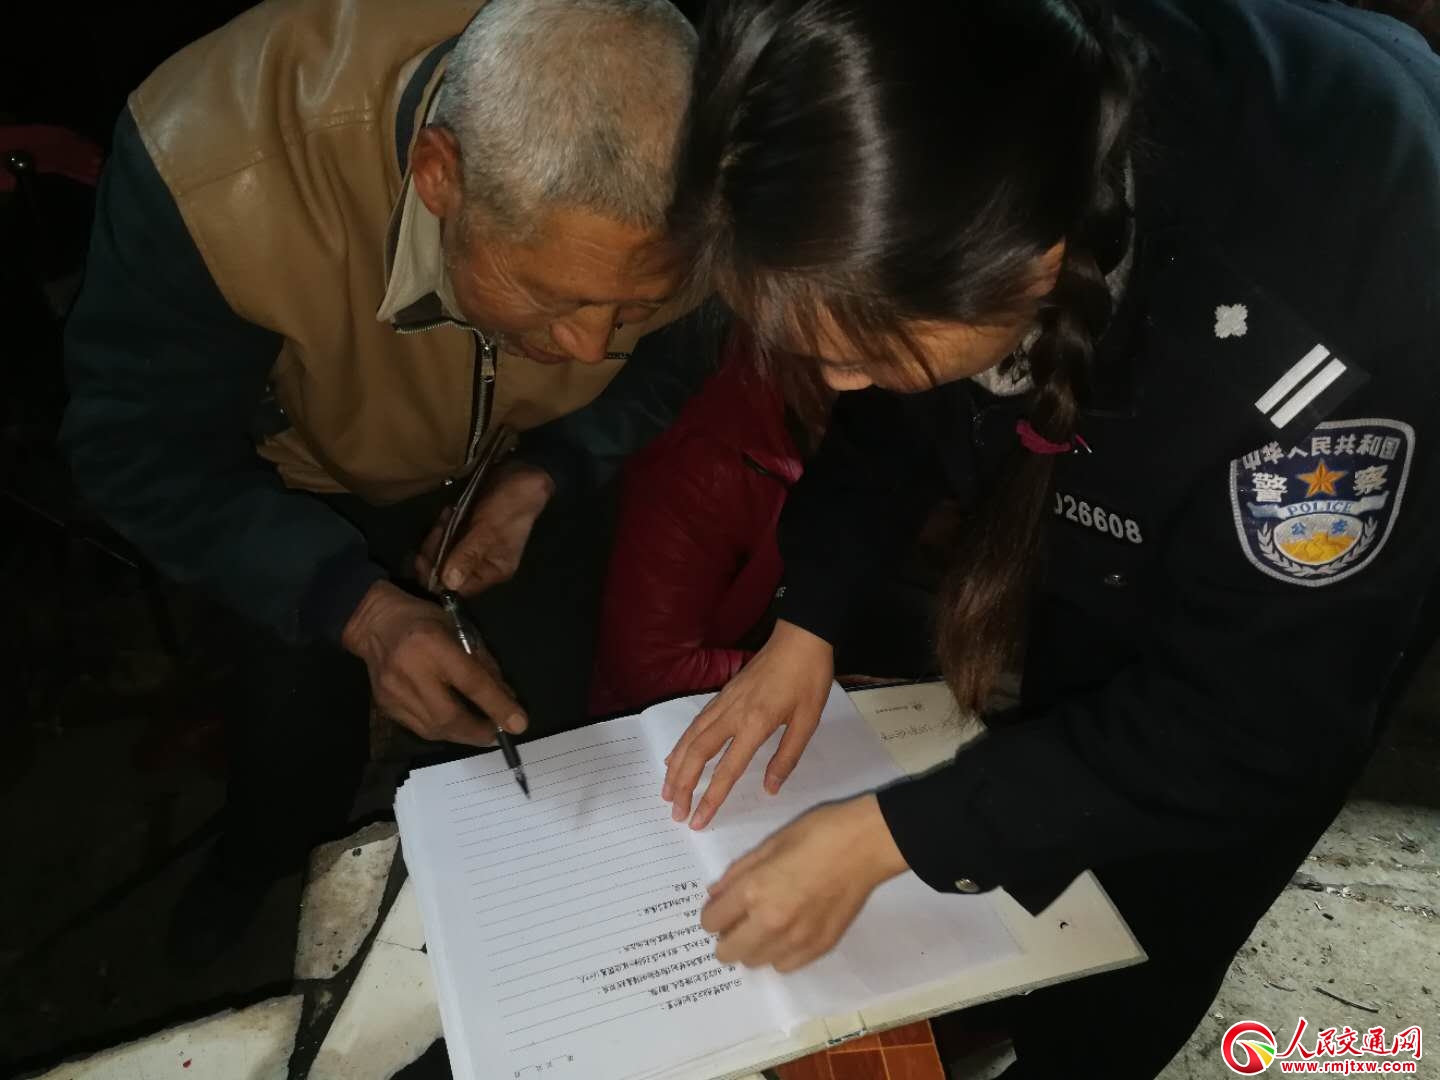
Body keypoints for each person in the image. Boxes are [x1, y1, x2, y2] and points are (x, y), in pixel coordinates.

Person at [656, 0, 1440, 1075]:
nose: (838, 383)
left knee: (1153, 910)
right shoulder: (952, 142)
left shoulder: (1316, 365)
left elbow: (1251, 724)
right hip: (1122, 324)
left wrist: (892, 838)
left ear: (1031, 270)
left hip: (1317, 498)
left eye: (864, 352)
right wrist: (811, 616)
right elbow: (896, 409)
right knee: (1056, 737)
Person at [62, 0, 703, 961]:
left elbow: (685, 351)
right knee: (292, 733)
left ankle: (514, 931)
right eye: (553, 295)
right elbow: (137, 448)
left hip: (526, 464)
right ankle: (264, 861)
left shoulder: (723, 163)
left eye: (633, 304)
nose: (590, 346)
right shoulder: (213, 169)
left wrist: (554, 468)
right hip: (302, 483)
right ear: (438, 173)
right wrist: (356, 608)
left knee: (535, 720)